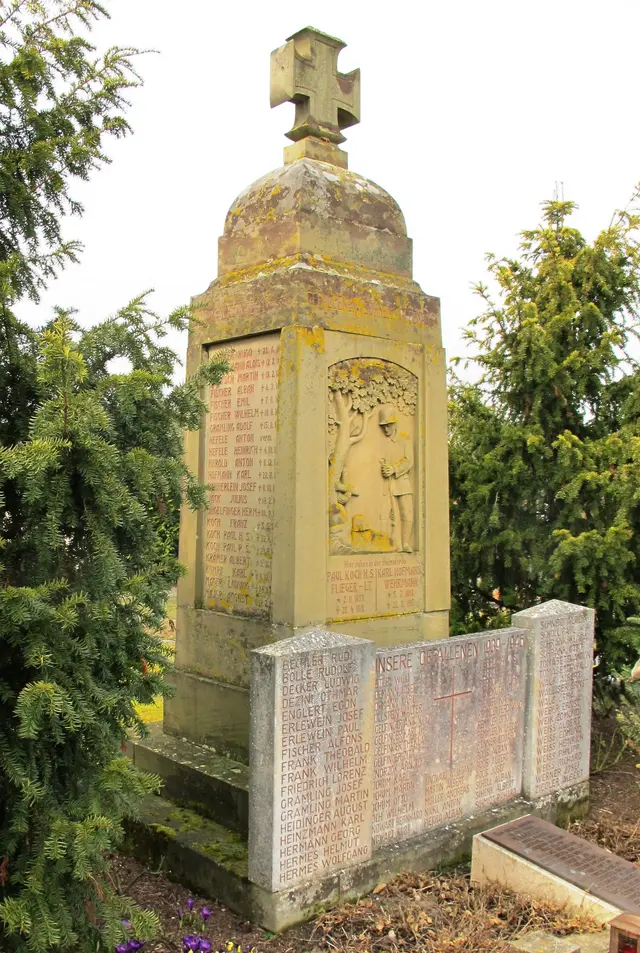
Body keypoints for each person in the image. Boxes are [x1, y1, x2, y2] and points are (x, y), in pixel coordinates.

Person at [379, 404, 414, 553]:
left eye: (387, 426)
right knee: (391, 515)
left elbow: (409, 461)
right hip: (388, 485)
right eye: (383, 426)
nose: (385, 429)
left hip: (402, 483)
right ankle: (395, 544)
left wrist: (393, 469)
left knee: (407, 514)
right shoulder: (383, 443)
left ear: (394, 424)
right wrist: (385, 468)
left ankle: (406, 543)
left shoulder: (405, 439)